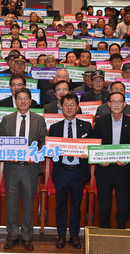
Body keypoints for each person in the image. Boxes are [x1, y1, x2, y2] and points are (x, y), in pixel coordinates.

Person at [0, 88, 46, 250]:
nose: (23, 101)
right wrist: (8, 154)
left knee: (28, 203)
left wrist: (36, 154)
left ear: (30, 101)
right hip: (12, 167)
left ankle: (27, 236)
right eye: (19, 98)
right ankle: (12, 235)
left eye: (26, 98)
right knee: (11, 203)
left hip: (30, 168)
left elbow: (43, 141)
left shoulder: (39, 120)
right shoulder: (7, 119)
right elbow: (2, 141)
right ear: (15, 101)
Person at [48, 93, 91, 249]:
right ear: (61, 107)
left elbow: (93, 147)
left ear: (77, 107)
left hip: (79, 171)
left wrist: (88, 153)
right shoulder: (55, 128)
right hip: (61, 171)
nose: (69, 107)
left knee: (76, 205)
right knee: (60, 205)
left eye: (72, 104)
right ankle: (61, 235)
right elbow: (50, 150)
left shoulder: (87, 126)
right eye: (66, 104)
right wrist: (52, 151)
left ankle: (74, 235)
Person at [91, 91, 130, 229]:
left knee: (123, 205)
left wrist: (127, 160)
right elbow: (95, 144)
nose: (116, 104)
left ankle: (121, 231)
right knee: (103, 205)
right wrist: (99, 160)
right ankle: (104, 231)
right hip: (104, 169)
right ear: (109, 104)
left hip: (124, 170)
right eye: (113, 101)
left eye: (119, 102)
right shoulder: (100, 121)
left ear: (124, 104)